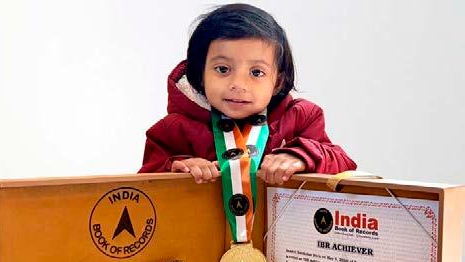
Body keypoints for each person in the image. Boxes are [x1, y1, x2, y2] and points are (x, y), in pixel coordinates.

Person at [138, 3, 357, 185]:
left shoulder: (302, 118)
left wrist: (301, 156)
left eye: (256, 72)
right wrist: (177, 168)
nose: (238, 84)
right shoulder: (172, 129)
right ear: (200, 74)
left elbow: (343, 163)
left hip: (276, 225)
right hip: (199, 226)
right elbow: (143, 186)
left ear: (278, 82)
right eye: (223, 69)